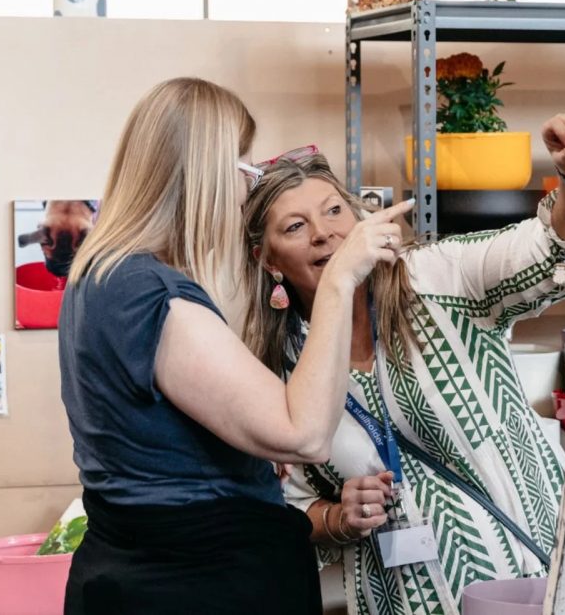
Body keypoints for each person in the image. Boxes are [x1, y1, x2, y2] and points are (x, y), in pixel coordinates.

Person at [58, 77, 414, 614]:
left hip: (138, 569)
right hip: (197, 585)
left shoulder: (98, 277)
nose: (248, 186)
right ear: (202, 172)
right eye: (242, 165)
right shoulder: (149, 295)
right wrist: (341, 278)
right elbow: (305, 434)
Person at [241, 106, 565, 614]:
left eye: (333, 211)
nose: (323, 233)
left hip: (529, 585)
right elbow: (289, 505)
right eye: (296, 226)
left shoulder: (439, 277)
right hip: (401, 601)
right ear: (268, 259)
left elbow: (548, 245)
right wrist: (339, 516)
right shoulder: (276, 366)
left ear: (360, 216)